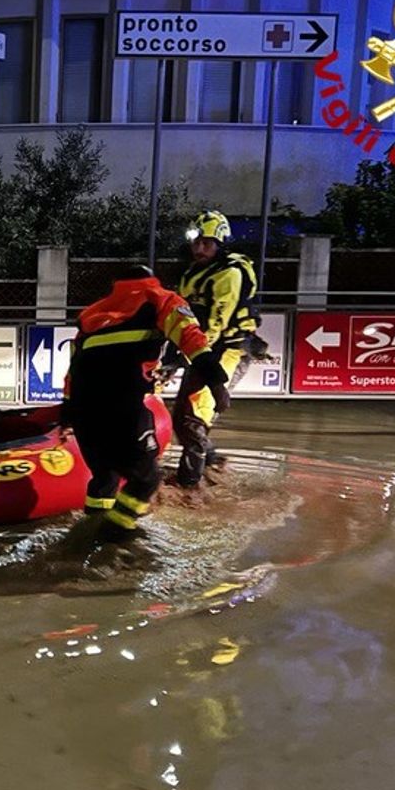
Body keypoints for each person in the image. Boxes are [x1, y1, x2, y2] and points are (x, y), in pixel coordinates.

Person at [63, 265, 227, 541]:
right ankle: (114, 535)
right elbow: (192, 340)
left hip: (82, 405)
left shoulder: (90, 313)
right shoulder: (160, 298)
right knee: (147, 478)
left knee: (105, 477)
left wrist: (67, 412)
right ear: (150, 280)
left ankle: (88, 530)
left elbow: (73, 368)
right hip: (122, 401)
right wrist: (217, 383)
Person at [170, 210, 260, 488]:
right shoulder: (192, 273)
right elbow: (181, 317)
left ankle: (190, 488)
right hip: (203, 352)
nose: (199, 248)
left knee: (194, 419)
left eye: (206, 243)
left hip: (227, 352)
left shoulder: (229, 274)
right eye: (196, 242)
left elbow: (215, 326)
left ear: (220, 244)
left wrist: (182, 357)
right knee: (180, 417)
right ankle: (212, 463)